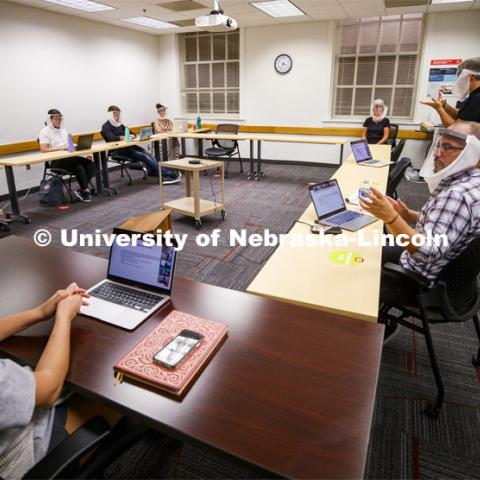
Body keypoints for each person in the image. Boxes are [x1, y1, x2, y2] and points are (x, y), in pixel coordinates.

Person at [359, 121, 480, 338]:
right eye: (439, 145)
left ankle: (367, 335)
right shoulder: (472, 183)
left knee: (354, 269)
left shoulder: (457, 195)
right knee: (367, 252)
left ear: (474, 154)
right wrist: (408, 215)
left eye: (448, 147)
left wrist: (391, 217)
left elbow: (426, 252)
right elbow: (449, 227)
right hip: (454, 280)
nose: (437, 153)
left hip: (421, 281)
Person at [0, 283, 90, 478]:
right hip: (17, 456)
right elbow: (48, 389)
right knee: (107, 398)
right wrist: (64, 317)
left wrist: (40, 312)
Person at [101, 106, 181, 185]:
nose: (118, 117)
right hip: (118, 151)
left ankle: (154, 172)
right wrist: (124, 137)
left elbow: (133, 134)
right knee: (144, 156)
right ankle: (169, 174)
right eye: (116, 115)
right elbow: (110, 138)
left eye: (118, 114)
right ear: (111, 115)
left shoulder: (120, 125)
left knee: (148, 154)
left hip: (129, 148)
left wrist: (133, 136)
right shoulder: (106, 126)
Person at [39, 109, 96, 203]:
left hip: (68, 157)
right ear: (50, 119)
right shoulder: (44, 132)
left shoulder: (63, 130)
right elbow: (44, 150)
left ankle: (82, 189)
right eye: (56, 119)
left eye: (60, 119)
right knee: (79, 167)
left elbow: (68, 146)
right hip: (55, 160)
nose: (59, 121)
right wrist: (61, 148)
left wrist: (73, 145)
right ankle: (85, 190)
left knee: (90, 164)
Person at [421, 57, 480, 126]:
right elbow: (463, 117)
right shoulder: (475, 95)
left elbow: (457, 129)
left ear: (471, 76)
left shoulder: (477, 98)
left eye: (459, 77)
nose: (458, 81)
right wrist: (444, 106)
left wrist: (439, 109)